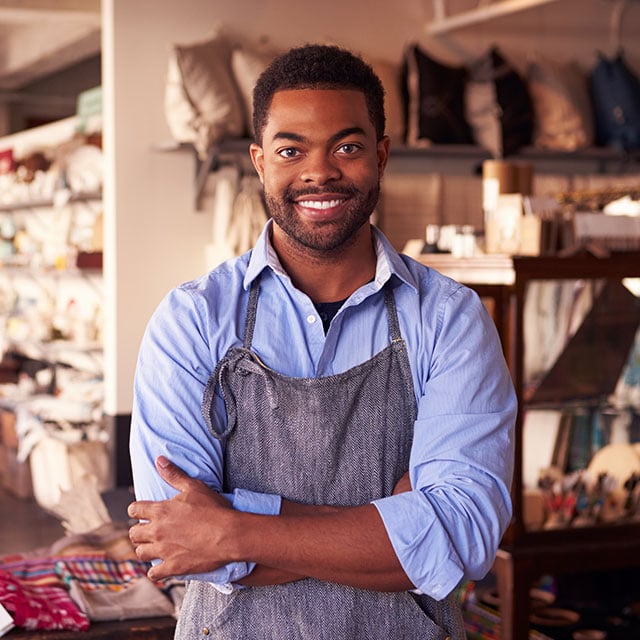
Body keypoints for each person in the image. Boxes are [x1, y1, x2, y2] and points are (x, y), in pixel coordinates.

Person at [128, 43, 516, 639]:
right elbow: (176, 538)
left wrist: (234, 529)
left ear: (381, 156)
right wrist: (396, 525)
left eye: (348, 146)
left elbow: (461, 533)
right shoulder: (193, 320)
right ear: (259, 162)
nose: (320, 172)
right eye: (291, 150)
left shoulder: (450, 318)